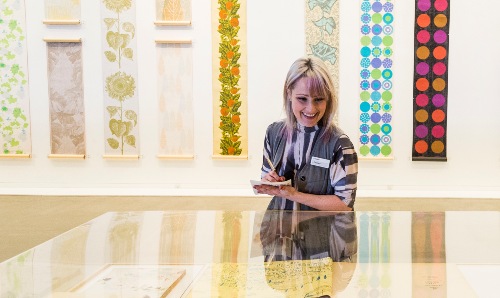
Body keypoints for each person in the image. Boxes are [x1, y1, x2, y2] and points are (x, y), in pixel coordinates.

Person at [253, 56, 358, 211]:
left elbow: (345, 204)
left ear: (328, 98)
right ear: (289, 93)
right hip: (279, 231)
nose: (311, 109)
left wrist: (293, 194)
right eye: (302, 99)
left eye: (319, 99)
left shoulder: (340, 144)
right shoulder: (273, 132)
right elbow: (266, 176)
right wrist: (270, 182)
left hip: (321, 232)